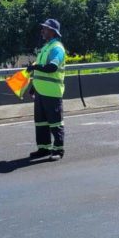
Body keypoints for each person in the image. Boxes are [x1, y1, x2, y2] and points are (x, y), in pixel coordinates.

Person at [27, 19, 66, 161]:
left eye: (45, 28)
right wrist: (33, 87)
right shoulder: (45, 48)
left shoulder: (57, 48)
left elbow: (52, 68)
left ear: (53, 31)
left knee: (55, 123)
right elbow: (40, 71)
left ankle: (58, 150)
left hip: (52, 92)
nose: (42, 31)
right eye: (43, 28)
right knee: (41, 122)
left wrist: (35, 67)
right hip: (41, 91)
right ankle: (44, 148)